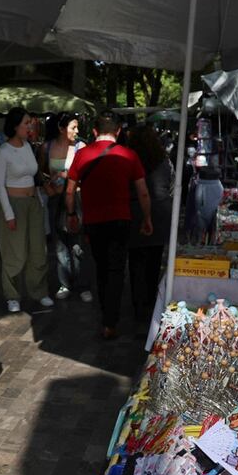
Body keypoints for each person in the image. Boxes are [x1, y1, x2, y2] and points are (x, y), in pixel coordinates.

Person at [64, 112, 153, 340]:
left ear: (94, 131)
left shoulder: (82, 154)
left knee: (101, 268)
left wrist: (72, 214)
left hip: (94, 221)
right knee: (116, 269)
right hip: (121, 219)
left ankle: (107, 314)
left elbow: (69, 190)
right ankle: (110, 320)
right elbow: (143, 191)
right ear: (119, 131)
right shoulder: (129, 155)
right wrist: (147, 218)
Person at [0, 107, 53, 312]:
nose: (30, 127)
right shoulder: (4, 152)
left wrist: (38, 200)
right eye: (26, 123)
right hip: (14, 204)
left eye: (30, 123)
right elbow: (0, 185)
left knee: (38, 249)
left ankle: (39, 291)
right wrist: (9, 213)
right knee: (14, 252)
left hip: (33, 204)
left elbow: (32, 176)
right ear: (15, 125)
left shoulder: (28, 147)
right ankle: (12, 295)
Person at [39, 112, 92, 303]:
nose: (77, 131)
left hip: (76, 197)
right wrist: (48, 187)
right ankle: (65, 283)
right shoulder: (47, 147)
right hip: (55, 199)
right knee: (59, 243)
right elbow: (41, 171)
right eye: (73, 127)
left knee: (78, 243)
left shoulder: (81, 147)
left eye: (77, 127)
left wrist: (67, 176)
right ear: (61, 129)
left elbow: (87, 175)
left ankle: (83, 284)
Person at [125, 125, 173, 322]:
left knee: (135, 261)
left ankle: (137, 304)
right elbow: (171, 183)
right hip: (160, 212)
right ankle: (151, 301)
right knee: (154, 262)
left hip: (134, 211)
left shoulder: (127, 160)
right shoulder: (163, 161)